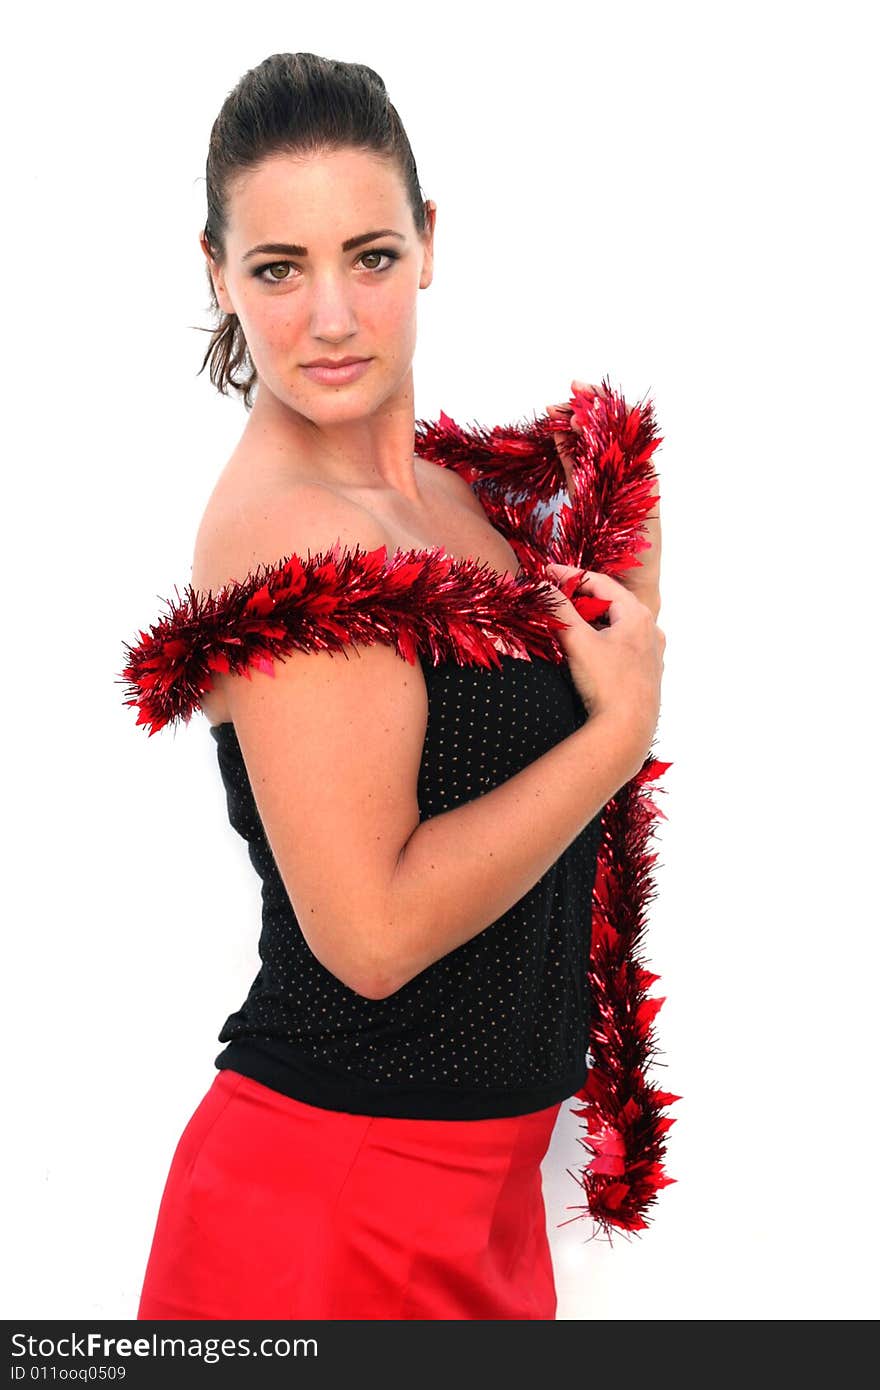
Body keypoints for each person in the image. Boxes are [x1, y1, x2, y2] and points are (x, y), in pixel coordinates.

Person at [129, 51, 665, 1321]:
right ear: (216, 272)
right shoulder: (288, 533)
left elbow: (555, 752)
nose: (329, 317)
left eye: (368, 255)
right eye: (276, 269)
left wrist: (618, 521)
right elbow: (368, 937)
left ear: (428, 243)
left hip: (481, 1197)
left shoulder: (457, 499)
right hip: (329, 1204)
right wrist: (619, 731)